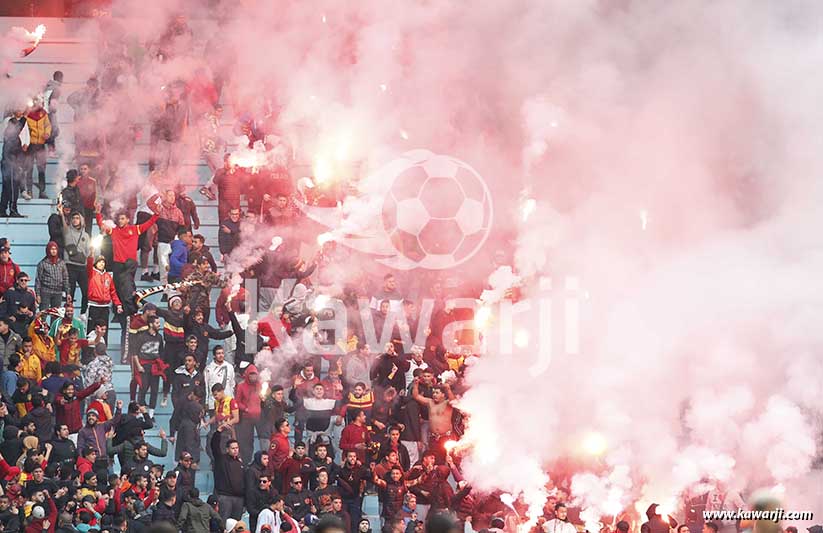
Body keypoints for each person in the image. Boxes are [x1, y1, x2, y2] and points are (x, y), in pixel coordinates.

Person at [95, 202, 159, 316]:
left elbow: (148, 224)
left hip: (130, 264)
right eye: (119, 219)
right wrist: (98, 213)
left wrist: (156, 214)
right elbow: (101, 226)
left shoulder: (135, 229)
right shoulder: (114, 231)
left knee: (127, 287)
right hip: (118, 264)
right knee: (118, 288)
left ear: (128, 220)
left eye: (123, 219)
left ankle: (131, 311)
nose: (120, 221)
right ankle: (120, 312)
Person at [130, 315, 165, 417]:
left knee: (154, 390)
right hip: (144, 365)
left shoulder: (159, 337)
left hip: (155, 366)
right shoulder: (141, 336)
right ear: (151, 324)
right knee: (143, 388)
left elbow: (161, 352)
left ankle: (151, 414)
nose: (159, 325)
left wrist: (160, 365)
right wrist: (138, 366)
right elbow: (134, 352)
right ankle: (140, 412)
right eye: (157, 323)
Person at [211, 430, 246, 521]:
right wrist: (218, 432)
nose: (235, 450)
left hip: (239, 498)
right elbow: (214, 446)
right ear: (227, 449)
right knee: (224, 523)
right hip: (225, 497)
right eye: (233, 448)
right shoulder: (221, 460)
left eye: (237, 448)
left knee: (236, 524)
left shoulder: (240, 463)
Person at [234, 365, 265, 463]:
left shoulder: (261, 385)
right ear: (247, 375)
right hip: (246, 418)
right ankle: (246, 461)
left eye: (254, 375)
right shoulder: (241, 386)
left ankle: (264, 459)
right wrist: (246, 409)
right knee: (247, 441)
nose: (253, 377)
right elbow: (237, 402)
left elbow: (265, 400)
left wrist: (264, 400)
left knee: (264, 437)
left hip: (259, 417)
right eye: (251, 375)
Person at [22, 96, 51, 200]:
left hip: (41, 145)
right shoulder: (27, 114)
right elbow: (24, 129)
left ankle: (42, 191)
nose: (41, 104)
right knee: (29, 169)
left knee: (41, 170)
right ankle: (29, 191)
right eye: (40, 102)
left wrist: (47, 133)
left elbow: (48, 125)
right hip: (30, 145)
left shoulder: (44, 113)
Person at [63, 211, 91, 314]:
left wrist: (91, 251)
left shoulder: (86, 235)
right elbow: (63, 224)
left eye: (77, 218)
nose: (75, 220)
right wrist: (61, 213)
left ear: (81, 220)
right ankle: (68, 313)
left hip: (82, 266)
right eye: (73, 218)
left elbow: (88, 252)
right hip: (70, 265)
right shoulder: (67, 231)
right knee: (71, 291)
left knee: (86, 291)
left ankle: (83, 313)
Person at [87, 256, 122, 336]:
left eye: (103, 262)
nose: (101, 264)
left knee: (104, 330)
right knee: (92, 329)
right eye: (99, 262)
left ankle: (104, 346)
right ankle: (91, 347)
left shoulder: (108, 276)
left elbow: (113, 292)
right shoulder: (91, 273)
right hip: (93, 306)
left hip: (105, 307)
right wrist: (91, 254)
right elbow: (89, 264)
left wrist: (118, 305)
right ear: (95, 263)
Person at [1, 110, 26, 217]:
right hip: (10, 165)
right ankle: (13, 209)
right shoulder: (11, 137)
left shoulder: (12, 137)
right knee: (12, 188)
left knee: (7, 188)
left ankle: (2, 210)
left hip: (10, 164)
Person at [35, 242, 69, 311]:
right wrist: (38, 294)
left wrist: (67, 292)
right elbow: (38, 280)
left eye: (55, 249)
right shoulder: (43, 263)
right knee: (43, 313)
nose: (54, 251)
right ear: (48, 250)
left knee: (56, 315)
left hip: (58, 292)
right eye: (52, 249)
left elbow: (65, 279)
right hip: (45, 292)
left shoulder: (61, 263)